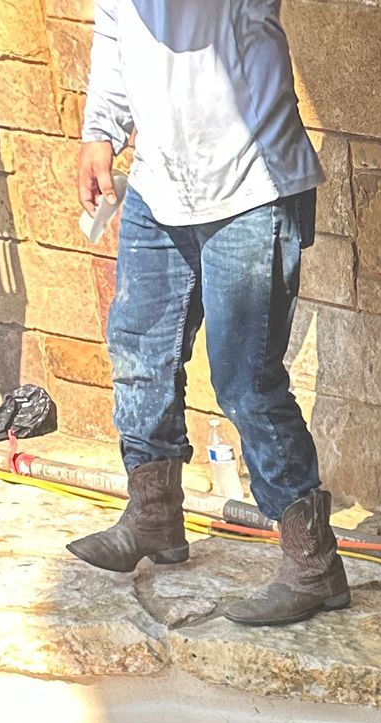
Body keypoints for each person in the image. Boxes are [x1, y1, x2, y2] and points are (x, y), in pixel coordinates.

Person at [66, 0, 348, 624]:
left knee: (246, 379)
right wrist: (100, 130)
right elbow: (115, 23)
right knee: (139, 350)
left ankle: (313, 563)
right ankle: (154, 516)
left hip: (250, 179)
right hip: (158, 180)